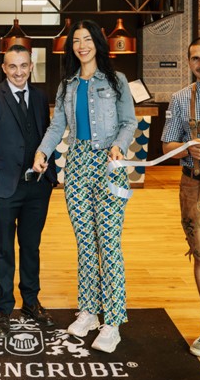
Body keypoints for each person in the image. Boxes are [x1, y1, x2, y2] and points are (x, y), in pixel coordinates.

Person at [32, 20, 136, 354]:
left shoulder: (117, 80)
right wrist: (42, 152)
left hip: (109, 164)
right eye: (76, 40)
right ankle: (89, 311)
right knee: (86, 243)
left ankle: (113, 321)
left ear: (97, 42)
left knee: (109, 242)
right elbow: (56, 126)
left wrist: (119, 145)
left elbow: (128, 122)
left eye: (87, 39)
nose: (82, 45)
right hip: (76, 165)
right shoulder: (67, 85)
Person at [0, 43, 57, 336]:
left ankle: (31, 302)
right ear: (4, 68)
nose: (18, 72)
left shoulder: (40, 96)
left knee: (31, 246)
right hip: (4, 186)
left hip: (37, 185)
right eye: (12, 66)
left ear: (31, 66)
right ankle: (4, 307)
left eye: (23, 66)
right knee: (3, 249)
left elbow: (46, 133)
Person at [161, 35, 200, 358]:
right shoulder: (181, 98)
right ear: (189, 63)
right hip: (196, 185)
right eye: (196, 59)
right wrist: (188, 148)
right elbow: (167, 147)